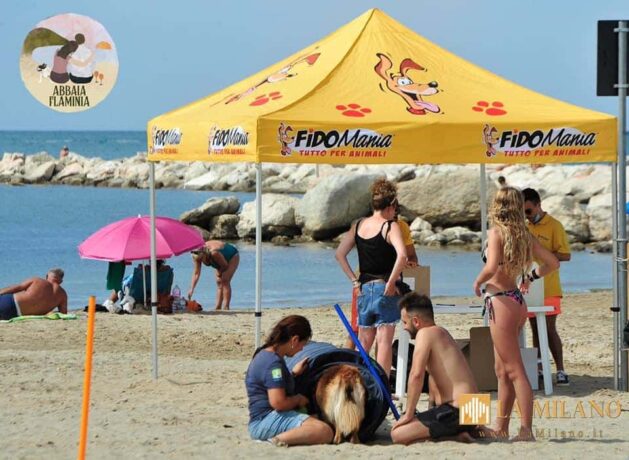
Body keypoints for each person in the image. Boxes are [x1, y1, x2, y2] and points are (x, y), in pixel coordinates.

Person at [473, 187, 559, 441]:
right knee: (502, 370)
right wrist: (530, 277)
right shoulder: (523, 235)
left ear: (498, 205)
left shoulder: (496, 233)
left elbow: (491, 267)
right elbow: (552, 263)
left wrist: (477, 282)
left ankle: (526, 430)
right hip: (516, 301)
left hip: (501, 302)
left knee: (515, 370)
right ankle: (501, 427)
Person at [336, 179, 407, 376]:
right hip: (385, 288)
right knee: (384, 341)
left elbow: (340, 254)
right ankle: (381, 384)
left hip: (364, 288)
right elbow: (402, 256)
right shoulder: (390, 226)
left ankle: (357, 380)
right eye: (395, 208)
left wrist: (354, 281)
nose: (395, 212)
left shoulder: (358, 225)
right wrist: (392, 282)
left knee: (364, 342)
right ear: (390, 205)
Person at [391, 293, 484, 444]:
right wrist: (431, 410)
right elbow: (434, 378)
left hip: (458, 411)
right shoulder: (442, 333)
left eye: (405, 322)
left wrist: (409, 414)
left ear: (416, 321)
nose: (405, 327)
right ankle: (467, 430)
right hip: (477, 409)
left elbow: (416, 375)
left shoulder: (424, 334)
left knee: (397, 434)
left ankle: (455, 436)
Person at [245, 315, 333, 446]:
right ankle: (275, 441)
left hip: (264, 418)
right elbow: (278, 402)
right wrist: (298, 399)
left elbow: (273, 383)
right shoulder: (273, 364)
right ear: (294, 340)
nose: (301, 349)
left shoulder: (266, 354)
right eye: (302, 345)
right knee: (324, 431)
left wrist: (293, 374)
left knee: (318, 419)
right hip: (265, 420)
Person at [522, 187, 571, 386]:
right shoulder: (524, 227)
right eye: (523, 212)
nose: (526, 215)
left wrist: (543, 254)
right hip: (530, 286)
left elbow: (566, 255)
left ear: (538, 205)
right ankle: (540, 369)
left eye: (528, 211)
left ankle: (560, 370)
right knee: (535, 329)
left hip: (549, 286)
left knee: (549, 329)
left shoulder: (554, 226)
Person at [189, 240, 239, 310]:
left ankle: (226, 306)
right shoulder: (195, 255)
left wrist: (219, 272)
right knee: (219, 282)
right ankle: (218, 307)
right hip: (218, 260)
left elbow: (225, 266)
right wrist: (192, 289)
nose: (200, 261)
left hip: (232, 255)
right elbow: (196, 273)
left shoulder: (214, 253)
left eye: (201, 259)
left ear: (203, 253)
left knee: (225, 280)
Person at [0, 268, 68, 320]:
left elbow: (17, 288)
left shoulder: (37, 280)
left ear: (47, 276)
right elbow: (63, 314)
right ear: (61, 281)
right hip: (15, 314)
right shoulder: (63, 295)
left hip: (8, 302)